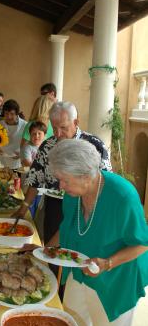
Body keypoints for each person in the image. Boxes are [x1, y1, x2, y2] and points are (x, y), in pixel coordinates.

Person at [47, 139, 148, 326]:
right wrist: (42, 250)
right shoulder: (73, 193)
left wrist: (107, 263)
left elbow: (142, 243)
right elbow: (67, 227)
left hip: (116, 279)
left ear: (85, 175)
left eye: (65, 180)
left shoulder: (122, 195)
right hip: (79, 272)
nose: (61, 185)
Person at [14, 101, 112, 245]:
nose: (58, 134)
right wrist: (23, 209)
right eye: (54, 128)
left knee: (78, 250)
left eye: (63, 128)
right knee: (51, 252)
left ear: (76, 122)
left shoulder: (94, 145)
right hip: (54, 207)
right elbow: (35, 180)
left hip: (84, 207)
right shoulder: (47, 146)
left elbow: (105, 181)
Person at [20, 121, 46, 218]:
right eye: (34, 134)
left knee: (37, 212)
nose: (37, 136)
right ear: (29, 135)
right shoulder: (27, 147)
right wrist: (43, 167)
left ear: (45, 135)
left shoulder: (46, 148)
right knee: (28, 211)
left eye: (39, 133)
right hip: (28, 185)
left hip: (42, 188)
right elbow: (28, 163)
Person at [0, 99, 27, 170]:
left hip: (17, 161)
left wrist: (22, 153)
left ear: (17, 114)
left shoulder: (25, 125)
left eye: (12, 114)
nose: (8, 117)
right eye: (6, 114)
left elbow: (30, 143)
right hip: (2, 160)